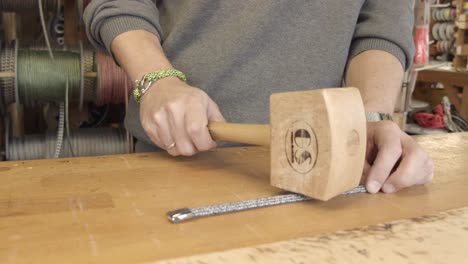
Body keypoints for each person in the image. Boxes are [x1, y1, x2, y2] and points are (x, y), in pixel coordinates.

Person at [84, 0, 433, 194]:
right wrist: (158, 81)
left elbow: (382, 20)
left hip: (317, 179)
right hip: (175, 160)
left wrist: (370, 119)